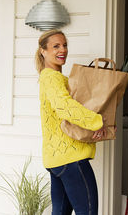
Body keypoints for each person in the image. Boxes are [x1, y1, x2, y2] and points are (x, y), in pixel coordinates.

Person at [36, 29, 107, 215]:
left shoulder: (50, 78)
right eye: (56, 46)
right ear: (43, 51)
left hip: (57, 160)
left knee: (59, 212)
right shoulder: (51, 78)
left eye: (65, 45)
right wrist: (97, 121)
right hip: (70, 158)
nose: (62, 50)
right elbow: (65, 107)